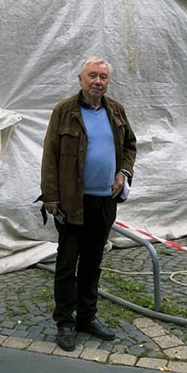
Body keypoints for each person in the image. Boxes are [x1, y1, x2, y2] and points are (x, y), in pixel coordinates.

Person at [40, 57, 137, 352]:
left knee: (94, 262)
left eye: (103, 77)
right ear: (80, 79)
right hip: (72, 202)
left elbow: (130, 145)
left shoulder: (116, 110)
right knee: (68, 264)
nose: (98, 81)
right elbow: (50, 155)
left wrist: (124, 172)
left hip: (105, 202)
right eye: (92, 76)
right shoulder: (64, 111)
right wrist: (51, 197)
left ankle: (87, 317)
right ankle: (65, 323)